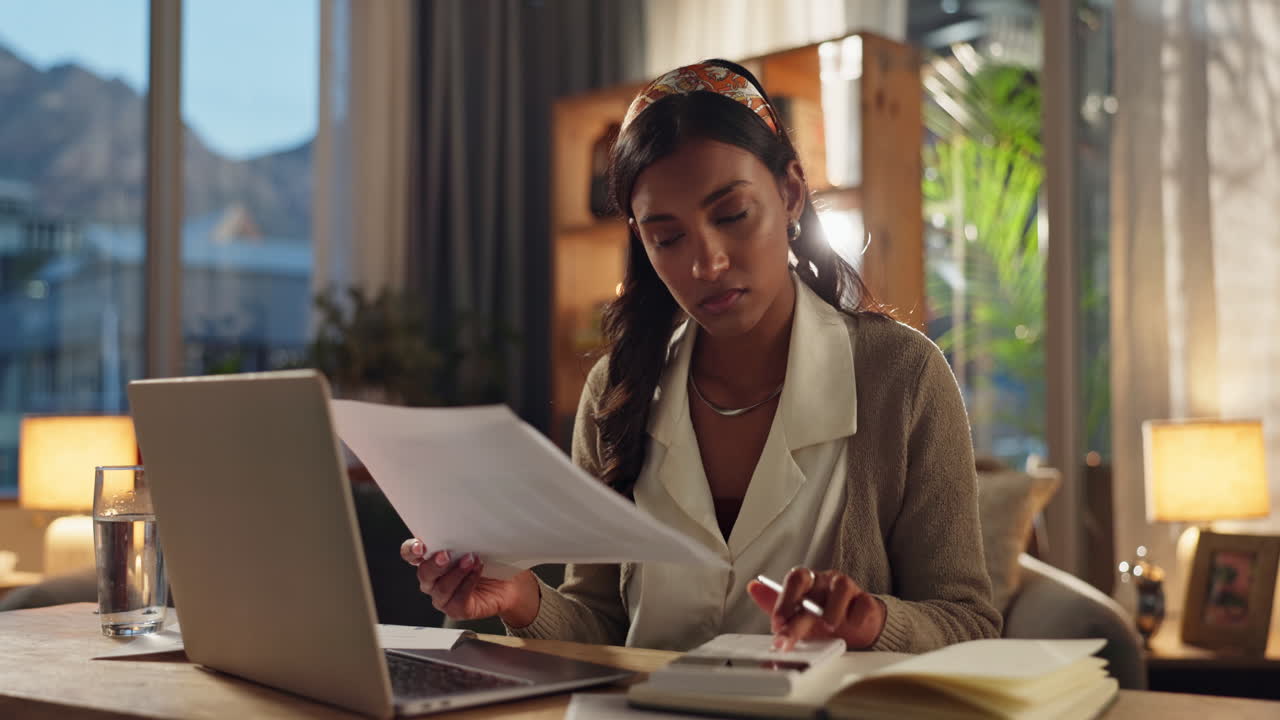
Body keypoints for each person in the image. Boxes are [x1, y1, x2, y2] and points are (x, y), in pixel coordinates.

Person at [401, 60, 1001, 654]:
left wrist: (871, 623)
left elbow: (967, 623)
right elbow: (608, 628)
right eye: (667, 237)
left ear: (790, 194)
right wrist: (521, 599)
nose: (706, 263)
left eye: (732, 215)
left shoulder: (903, 376)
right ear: (642, 241)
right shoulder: (617, 390)